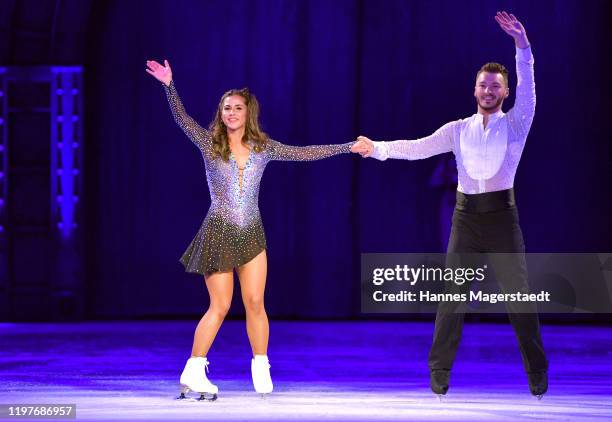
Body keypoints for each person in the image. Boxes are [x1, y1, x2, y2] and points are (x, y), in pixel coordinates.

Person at [351, 12, 548, 398]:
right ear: (474, 90)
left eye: (495, 86)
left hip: (502, 219)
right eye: (483, 85)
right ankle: (439, 371)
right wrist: (377, 149)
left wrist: (522, 45)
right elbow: (418, 147)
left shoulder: (517, 122)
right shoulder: (458, 129)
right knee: (452, 300)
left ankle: (537, 371)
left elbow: (529, 85)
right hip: (465, 219)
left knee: (519, 300)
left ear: (504, 93)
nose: (488, 91)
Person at [146, 60, 353, 400]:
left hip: (252, 234)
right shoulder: (209, 143)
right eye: (226, 107)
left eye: (237, 108)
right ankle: (194, 369)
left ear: (248, 113)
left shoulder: (263, 148)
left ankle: (260, 363)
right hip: (218, 232)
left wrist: (346, 147)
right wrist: (170, 85)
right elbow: (182, 119)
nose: (230, 112)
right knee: (220, 305)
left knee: (256, 301)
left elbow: (304, 153)